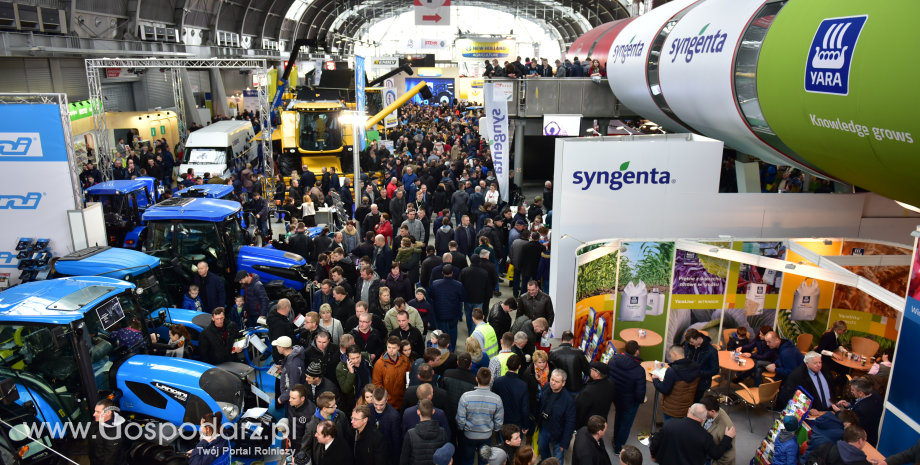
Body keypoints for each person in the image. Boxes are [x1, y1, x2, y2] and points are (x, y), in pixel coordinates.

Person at [649, 403, 736, 465]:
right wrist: (727, 439)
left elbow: (656, 443)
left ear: (689, 410)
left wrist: (653, 454)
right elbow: (716, 454)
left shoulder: (669, 424)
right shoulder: (705, 436)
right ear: (703, 418)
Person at [458, 368, 505, 465]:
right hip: (486, 436)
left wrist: (463, 428)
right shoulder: (497, 399)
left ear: (476, 379)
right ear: (491, 379)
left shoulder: (465, 397)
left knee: (467, 460)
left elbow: (460, 418)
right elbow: (499, 420)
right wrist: (494, 429)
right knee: (484, 462)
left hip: (469, 435)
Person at [608, 340, 646, 455]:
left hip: (616, 396)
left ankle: (615, 440)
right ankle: (618, 449)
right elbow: (640, 394)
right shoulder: (639, 370)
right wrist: (641, 400)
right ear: (637, 352)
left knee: (618, 417)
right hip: (629, 402)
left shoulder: (614, 359)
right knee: (626, 425)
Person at [536, 369, 575, 463]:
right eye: (552, 379)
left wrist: (565, 442)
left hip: (558, 434)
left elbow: (570, 422)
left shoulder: (568, 400)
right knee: (542, 449)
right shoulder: (546, 387)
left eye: (557, 381)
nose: (553, 383)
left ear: (563, 383)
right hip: (544, 429)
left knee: (557, 459)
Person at [653, 345, 701, 421]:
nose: (670, 357)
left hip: (671, 409)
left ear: (675, 354)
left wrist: (655, 380)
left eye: (670, 355)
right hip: (687, 407)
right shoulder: (696, 367)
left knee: (669, 429)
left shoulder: (672, 371)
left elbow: (664, 389)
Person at [832, 377, 883, 446]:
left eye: (853, 390)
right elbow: (861, 402)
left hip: (863, 442)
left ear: (861, 393)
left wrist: (838, 412)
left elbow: (851, 423)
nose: (851, 391)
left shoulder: (861, 410)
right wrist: (849, 404)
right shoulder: (875, 395)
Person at [429, 264, 467, 350]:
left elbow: (431, 296)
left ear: (442, 272)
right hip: (454, 313)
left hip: (440, 313)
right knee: (453, 330)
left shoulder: (435, 284)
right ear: (452, 273)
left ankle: (443, 348)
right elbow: (463, 298)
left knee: (442, 332)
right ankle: (452, 347)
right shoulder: (458, 285)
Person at [401, 398, 450, 465]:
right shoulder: (442, 432)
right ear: (433, 411)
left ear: (418, 412)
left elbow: (404, 459)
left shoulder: (410, 434)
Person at [302, 391, 351, 458]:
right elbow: (305, 448)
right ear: (324, 409)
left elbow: (347, 436)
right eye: (333, 406)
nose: (336, 406)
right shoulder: (312, 425)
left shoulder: (341, 415)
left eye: (335, 404)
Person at [440, 352, 477, 434]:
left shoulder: (447, 374)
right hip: (465, 418)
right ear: (470, 364)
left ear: (457, 362)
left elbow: (442, 391)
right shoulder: (474, 381)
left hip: (448, 413)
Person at [492, 354, 530, 433]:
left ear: (506, 364)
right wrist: (526, 426)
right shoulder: (523, 385)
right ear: (519, 367)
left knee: (501, 444)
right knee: (515, 443)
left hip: (501, 419)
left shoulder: (498, 382)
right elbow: (525, 408)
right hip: (516, 422)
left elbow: (493, 402)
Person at [374, 336, 412, 409]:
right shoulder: (379, 364)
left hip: (402, 400)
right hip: (388, 402)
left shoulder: (405, 360)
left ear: (398, 348)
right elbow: (377, 384)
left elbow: (408, 379)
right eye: (389, 347)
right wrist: (387, 397)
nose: (391, 350)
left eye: (394, 348)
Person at [576, 362, 616, 430]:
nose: (590, 370)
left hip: (588, 425)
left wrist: (576, 427)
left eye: (592, 369)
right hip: (601, 421)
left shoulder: (588, 392)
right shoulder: (611, 383)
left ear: (597, 374)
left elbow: (579, 413)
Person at [683, 328, 719, 402]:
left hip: (701, 383)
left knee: (695, 403)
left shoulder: (711, 351)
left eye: (692, 342)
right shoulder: (688, 344)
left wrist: (699, 373)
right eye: (689, 342)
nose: (690, 344)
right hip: (687, 379)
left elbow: (715, 370)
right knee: (685, 401)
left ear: (699, 338)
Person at [806, 425, 873, 465]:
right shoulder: (863, 463)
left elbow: (809, 459)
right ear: (860, 440)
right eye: (865, 440)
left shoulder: (825, 447)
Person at [88, 399, 128, 465]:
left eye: (98, 412)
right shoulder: (98, 421)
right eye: (95, 411)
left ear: (108, 413)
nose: (94, 414)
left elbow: (110, 459)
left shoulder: (113, 434)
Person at [370, 387, 403, 465]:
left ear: (386, 400)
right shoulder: (367, 411)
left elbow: (396, 441)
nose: (378, 407)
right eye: (375, 404)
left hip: (386, 454)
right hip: (371, 452)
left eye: (381, 404)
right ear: (372, 400)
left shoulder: (394, 416)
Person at [337, 344, 374, 414]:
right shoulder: (341, 368)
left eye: (358, 357)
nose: (356, 360)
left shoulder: (366, 357)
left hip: (371, 397)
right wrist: (351, 373)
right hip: (356, 401)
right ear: (347, 357)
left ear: (361, 354)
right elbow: (345, 389)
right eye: (353, 358)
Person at [701, 395, 736, 465]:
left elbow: (728, 455)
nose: (702, 413)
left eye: (704, 411)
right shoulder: (712, 412)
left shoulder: (727, 428)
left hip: (713, 458)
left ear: (712, 412)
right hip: (707, 452)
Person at [274, 336, 307, 407]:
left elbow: (294, 387)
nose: (276, 348)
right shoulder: (293, 357)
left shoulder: (292, 365)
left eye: (277, 346)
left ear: (282, 348)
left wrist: (282, 398)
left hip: (290, 400)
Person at [286, 385, 317, 455]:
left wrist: (302, 451)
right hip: (292, 442)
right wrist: (289, 438)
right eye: (290, 397)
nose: (290, 400)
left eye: (293, 398)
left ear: (302, 398)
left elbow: (309, 438)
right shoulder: (292, 404)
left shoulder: (310, 414)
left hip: (301, 449)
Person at [267, 298, 297, 362]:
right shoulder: (280, 324)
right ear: (287, 308)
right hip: (284, 358)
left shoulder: (275, 318)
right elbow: (277, 342)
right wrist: (279, 361)